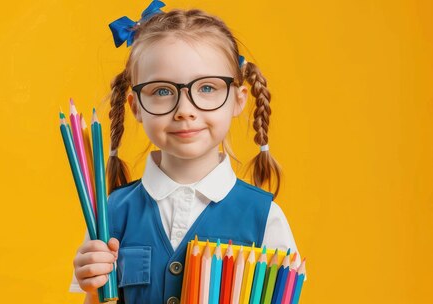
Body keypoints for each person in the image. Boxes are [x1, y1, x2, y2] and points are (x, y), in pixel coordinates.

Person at [69, 1, 299, 303]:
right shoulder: (111, 213)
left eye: (207, 88)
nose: (185, 111)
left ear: (239, 99)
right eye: (162, 91)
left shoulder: (264, 217)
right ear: (136, 106)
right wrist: (92, 286)